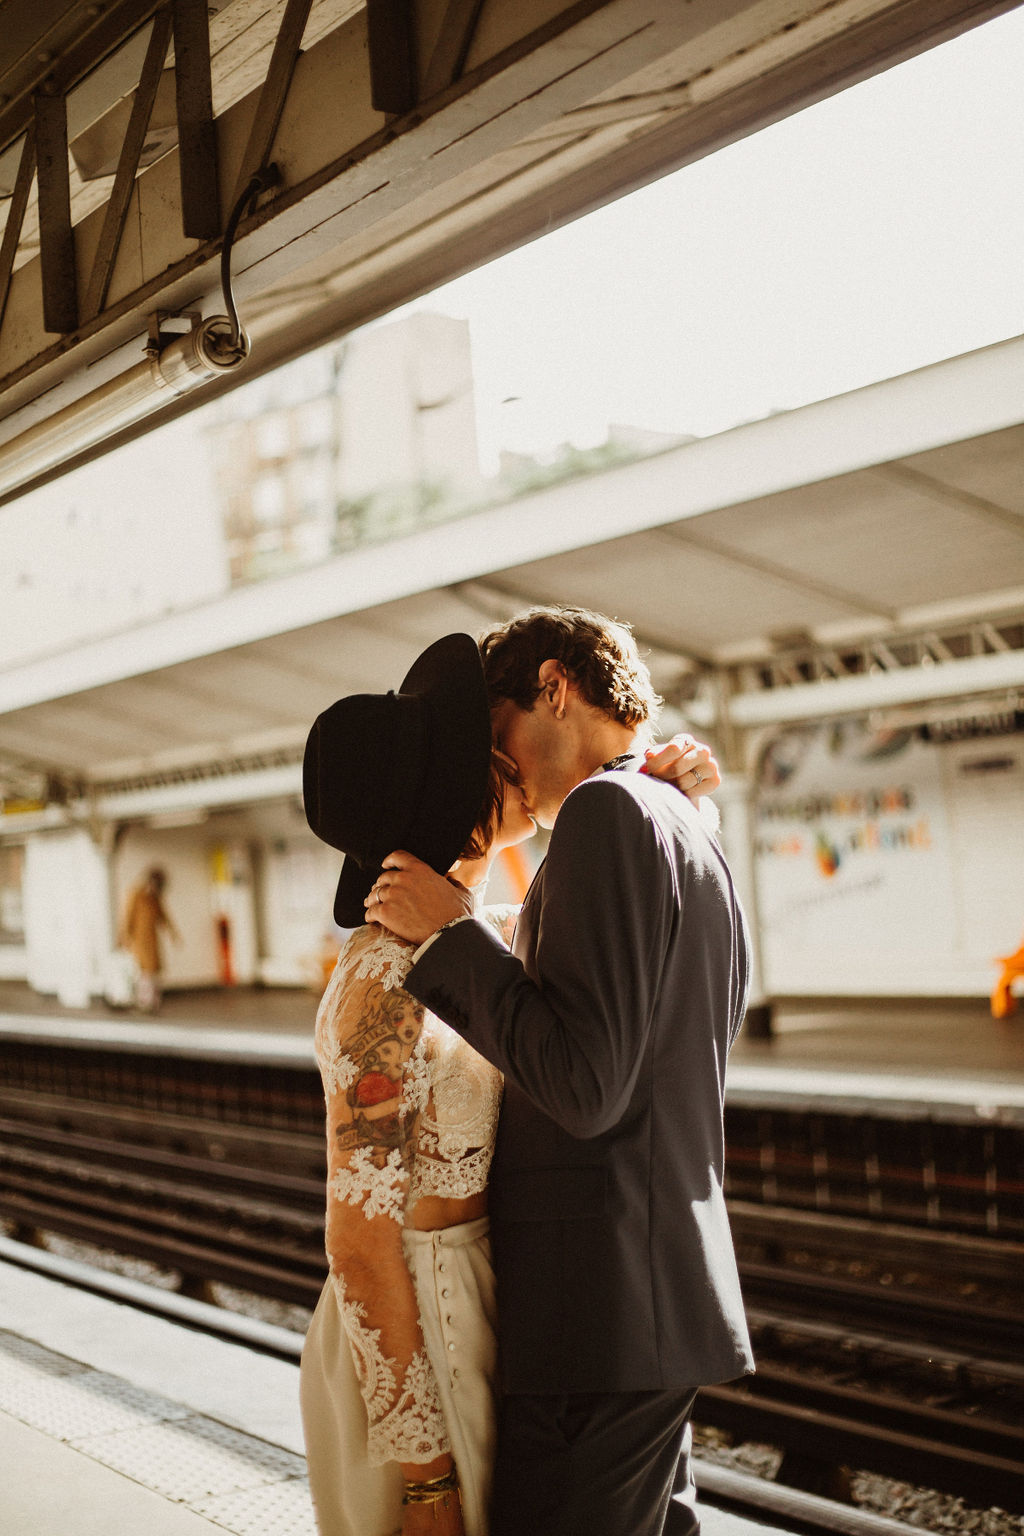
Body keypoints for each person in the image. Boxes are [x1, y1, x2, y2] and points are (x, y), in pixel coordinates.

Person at [299, 633, 721, 1536]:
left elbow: (602, 963)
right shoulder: (385, 973)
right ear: (449, 789)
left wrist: (656, 776)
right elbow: (359, 1242)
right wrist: (422, 1478)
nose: (512, 769)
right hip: (426, 1329)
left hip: (509, 1316)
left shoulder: (488, 930)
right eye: (484, 752)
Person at [119, 866, 180, 1014]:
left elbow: (164, 916)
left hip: (152, 940)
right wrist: (124, 938)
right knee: (144, 972)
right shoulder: (136, 894)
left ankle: (153, 1002)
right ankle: (144, 1003)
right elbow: (128, 917)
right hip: (139, 940)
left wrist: (173, 934)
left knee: (153, 972)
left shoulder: (155, 899)